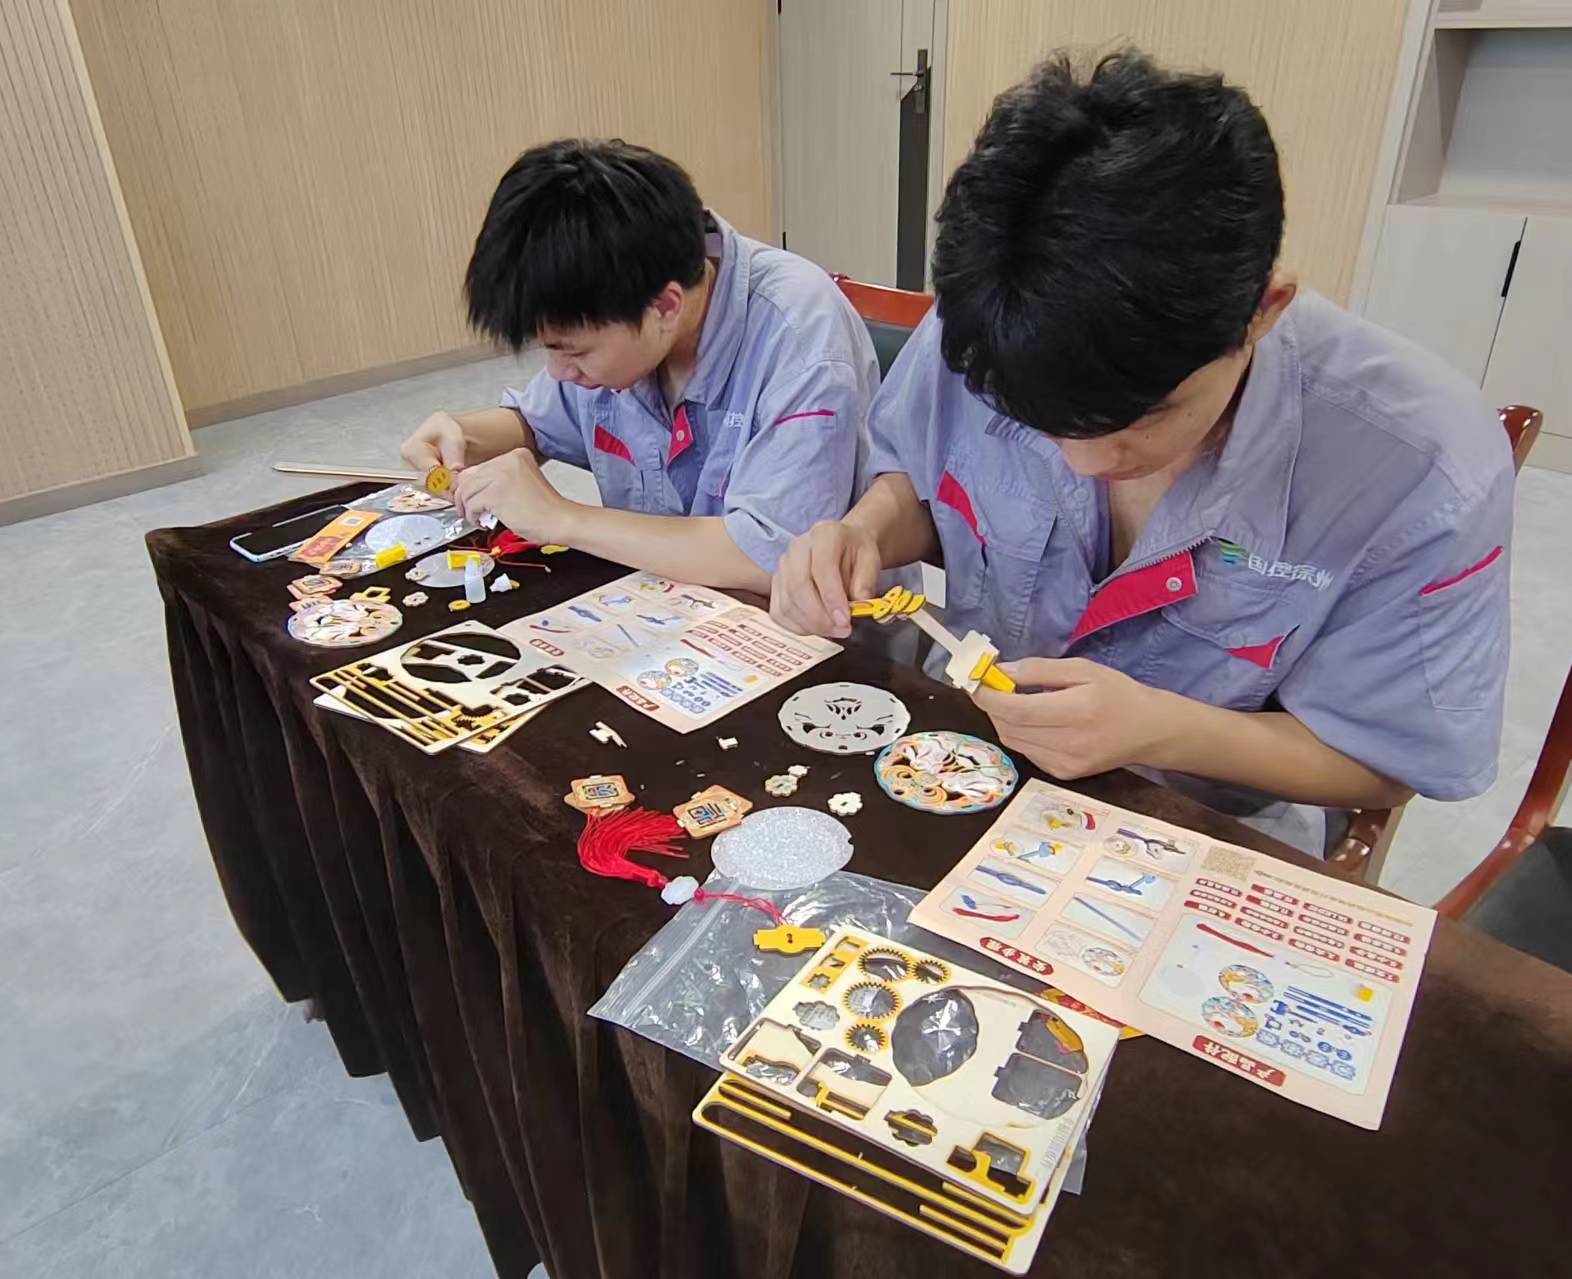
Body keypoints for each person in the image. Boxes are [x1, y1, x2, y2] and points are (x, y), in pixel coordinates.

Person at [769, 51, 1514, 851]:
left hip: (1205, 826)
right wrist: (864, 533)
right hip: (966, 767)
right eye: (1035, 421)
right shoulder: (991, 322)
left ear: (1264, 310)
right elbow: (923, 485)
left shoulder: (1422, 468)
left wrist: (1160, 729)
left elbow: (1387, 761)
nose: (1085, 462)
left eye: (1144, 417)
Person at [400, 139, 878, 591]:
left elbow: (772, 558)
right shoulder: (618, 304)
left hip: (807, 628)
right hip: (661, 605)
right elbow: (538, 423)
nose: (560, 372)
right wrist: (463, 438)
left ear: (665, 307)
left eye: (574, 352)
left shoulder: (801, 338)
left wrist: (562, 517)